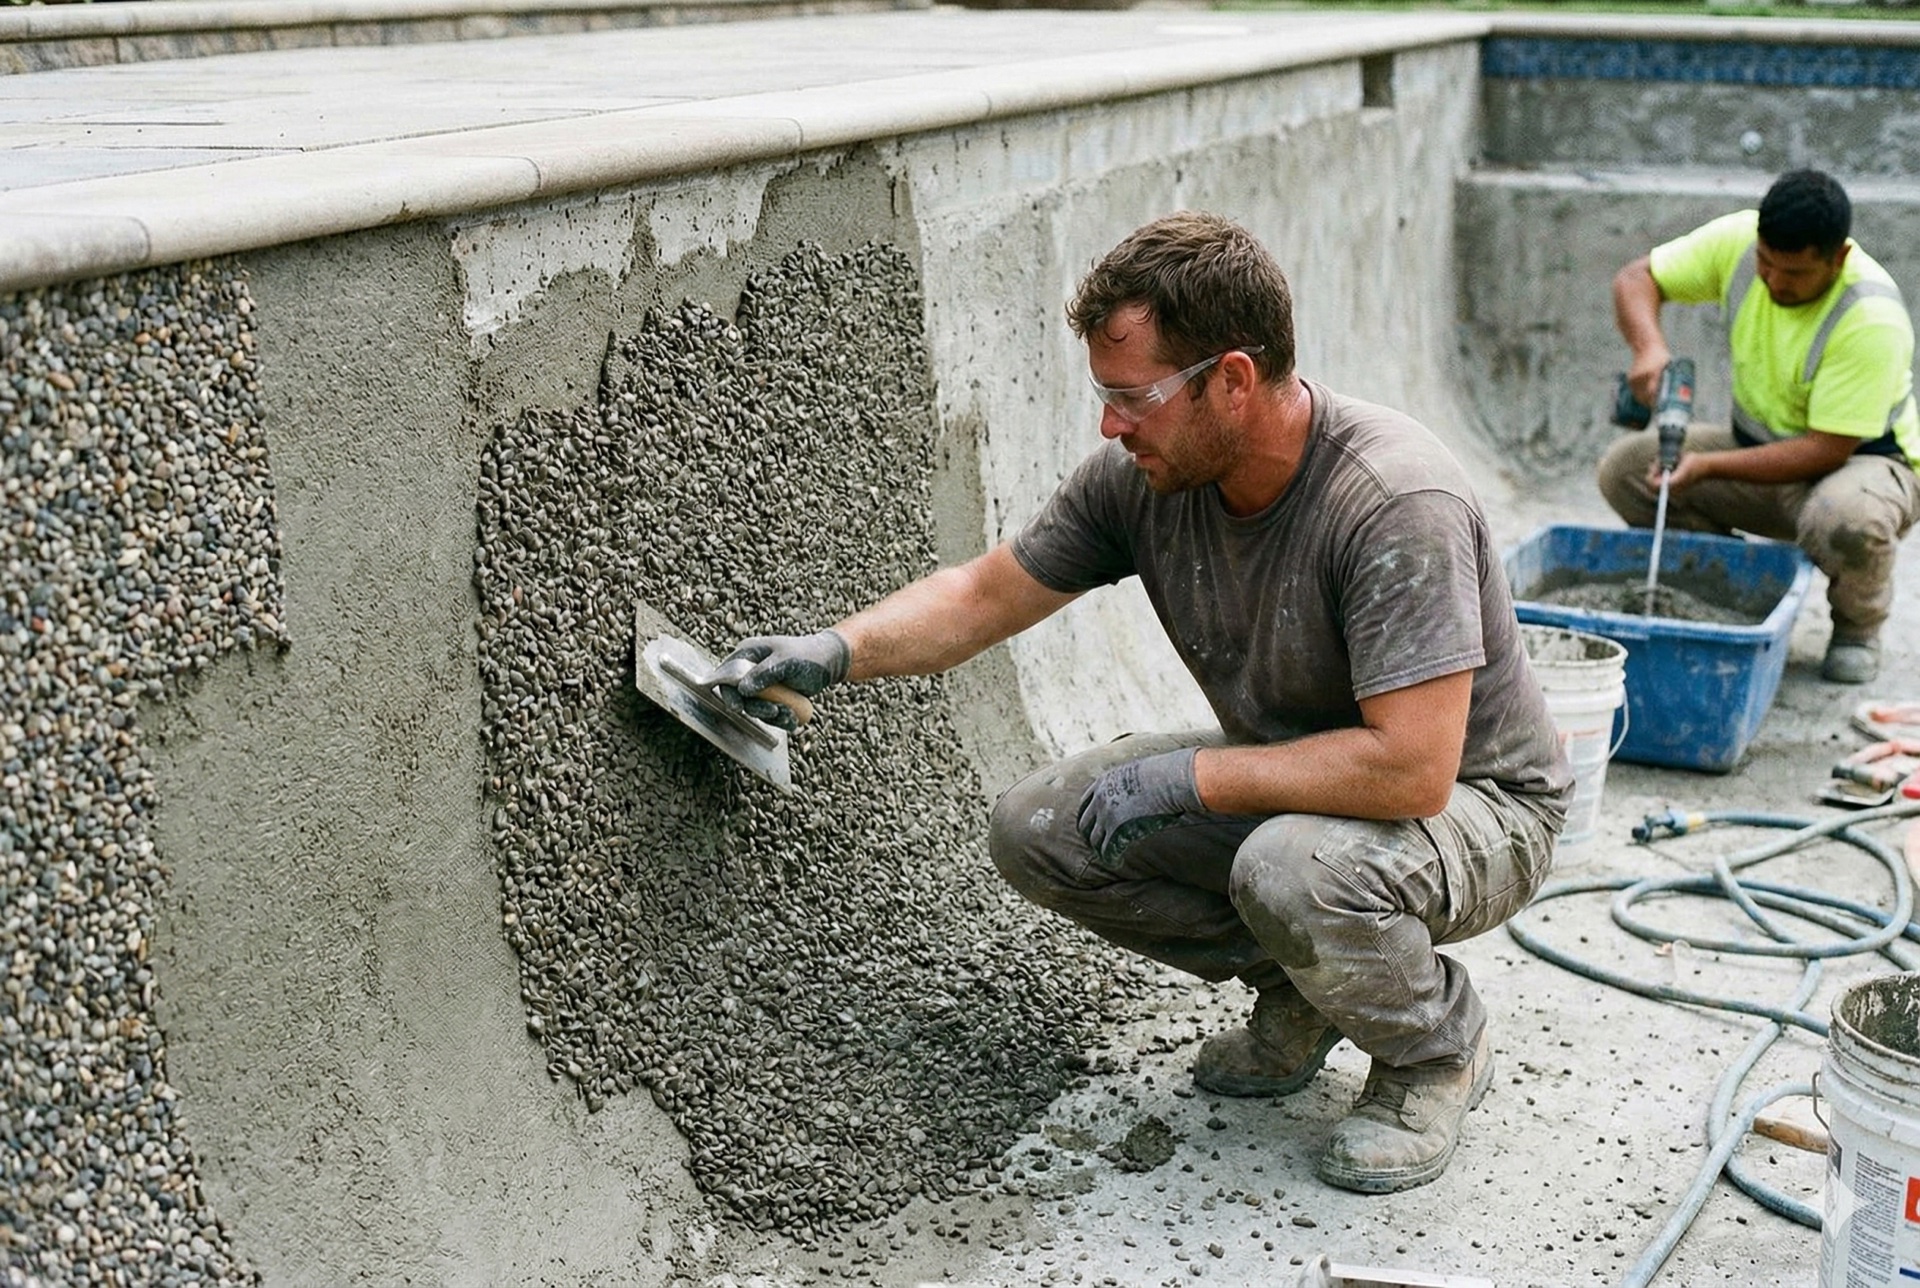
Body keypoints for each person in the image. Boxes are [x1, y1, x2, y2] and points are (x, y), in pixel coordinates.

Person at [719, 212, 1571, 1194]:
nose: (1110, 426)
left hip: (1479, 803)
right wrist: (836, 649)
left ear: (1234, 380)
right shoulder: (1147, 481)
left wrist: (1194, 778)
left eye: (1133, 397)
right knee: (1040, 828)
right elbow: (981, 596)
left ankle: (1436, 1046)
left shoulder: (1389, 500)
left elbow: (1413, 767)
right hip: (1310, 781)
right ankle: (1301, 990)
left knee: (1293, 870)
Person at [1600, 168, 1920, 685]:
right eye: (1765, 263)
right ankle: (1732, 588)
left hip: (1865, 466)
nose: (1773, 280)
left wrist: (1704, 466)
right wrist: (1649, 347)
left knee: (1846, 520)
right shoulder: (1740, 242)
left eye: (1793, 273)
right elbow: (1637, 278)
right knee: (1627, 471)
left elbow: (1825, 450)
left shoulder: (1870, 318)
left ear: (1836, 258)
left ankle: (1858, 627)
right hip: (1760, 449)